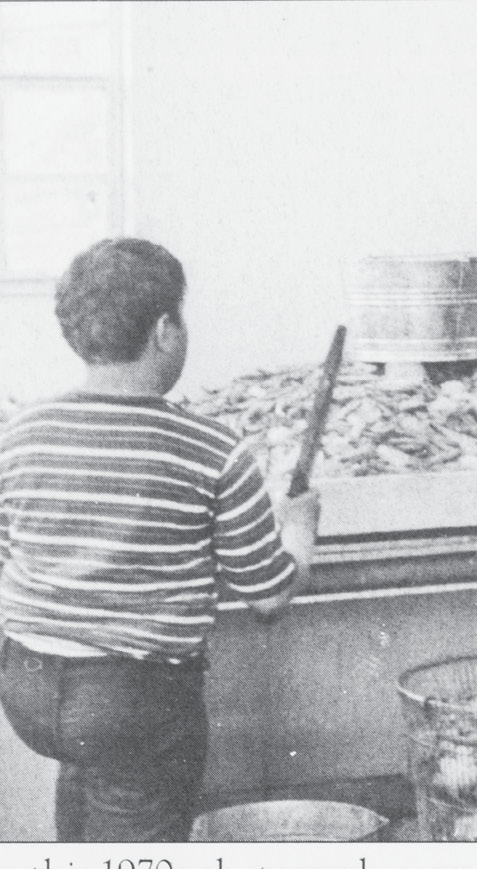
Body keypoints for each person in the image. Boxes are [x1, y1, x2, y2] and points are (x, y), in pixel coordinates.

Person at [0, 238, 321, 841]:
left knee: (88, 797)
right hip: (133, 699)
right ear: (166, 330)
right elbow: (268, 598)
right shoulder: (210, 450)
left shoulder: (21, 434)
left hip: (28, 687)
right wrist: (299, 527)